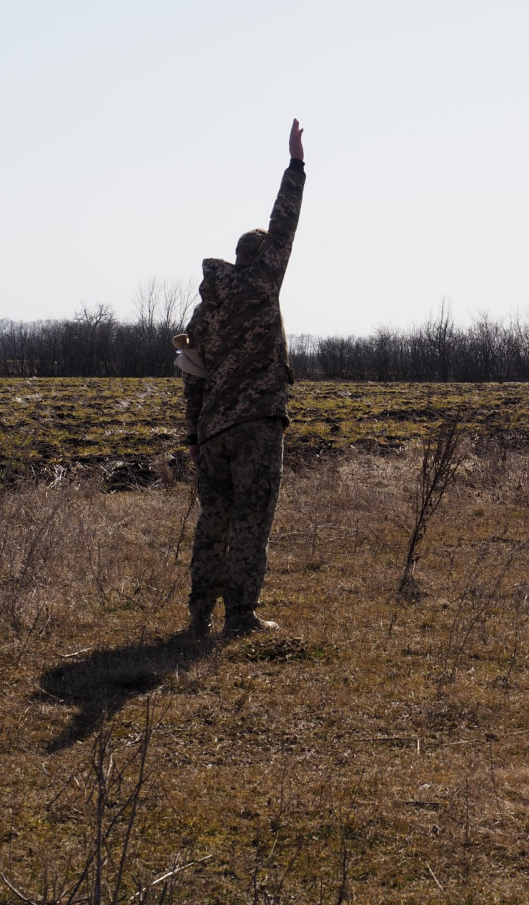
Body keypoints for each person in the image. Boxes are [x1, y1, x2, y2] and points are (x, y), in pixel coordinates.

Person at [181, 118, 306, 639]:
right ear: (264, 261)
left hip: (212, 433)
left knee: (214, 519)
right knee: (252, 518)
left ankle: (198, 613)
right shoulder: (262, 285)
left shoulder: (204, 314)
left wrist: (193, 434)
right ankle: (240, 616)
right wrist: (296, 166)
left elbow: (191, 376)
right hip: (256, 425)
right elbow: (285, 223)